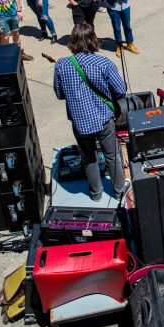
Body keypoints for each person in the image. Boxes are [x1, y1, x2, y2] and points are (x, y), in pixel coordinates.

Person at [53, 23, 129, 201]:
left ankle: (96, 194)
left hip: (79, 122)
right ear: (93, 40)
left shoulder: (62, 65)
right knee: (112, 156)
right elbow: (120, 91)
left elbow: (59, 94)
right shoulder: (104, 63)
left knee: (88, 159)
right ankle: (118, 192)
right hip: (103, 118)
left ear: (73, 41)